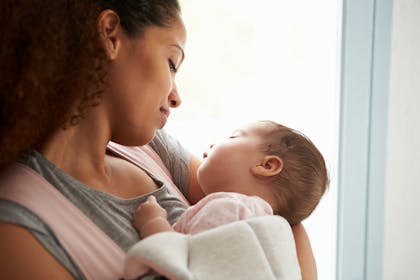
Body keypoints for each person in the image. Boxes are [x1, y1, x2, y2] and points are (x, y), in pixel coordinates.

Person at [0, 1, 318, 279]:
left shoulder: (151, 149)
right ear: (110, 34)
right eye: (171, 62)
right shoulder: (19, 227)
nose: (176, 97)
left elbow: (279, 210)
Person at [134, 120, 329, 237]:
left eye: (233, 137)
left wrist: (153, 222)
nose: (214, 142)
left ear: (267, 166)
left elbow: (181, 262)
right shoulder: (266, 228)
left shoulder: (230, 211)